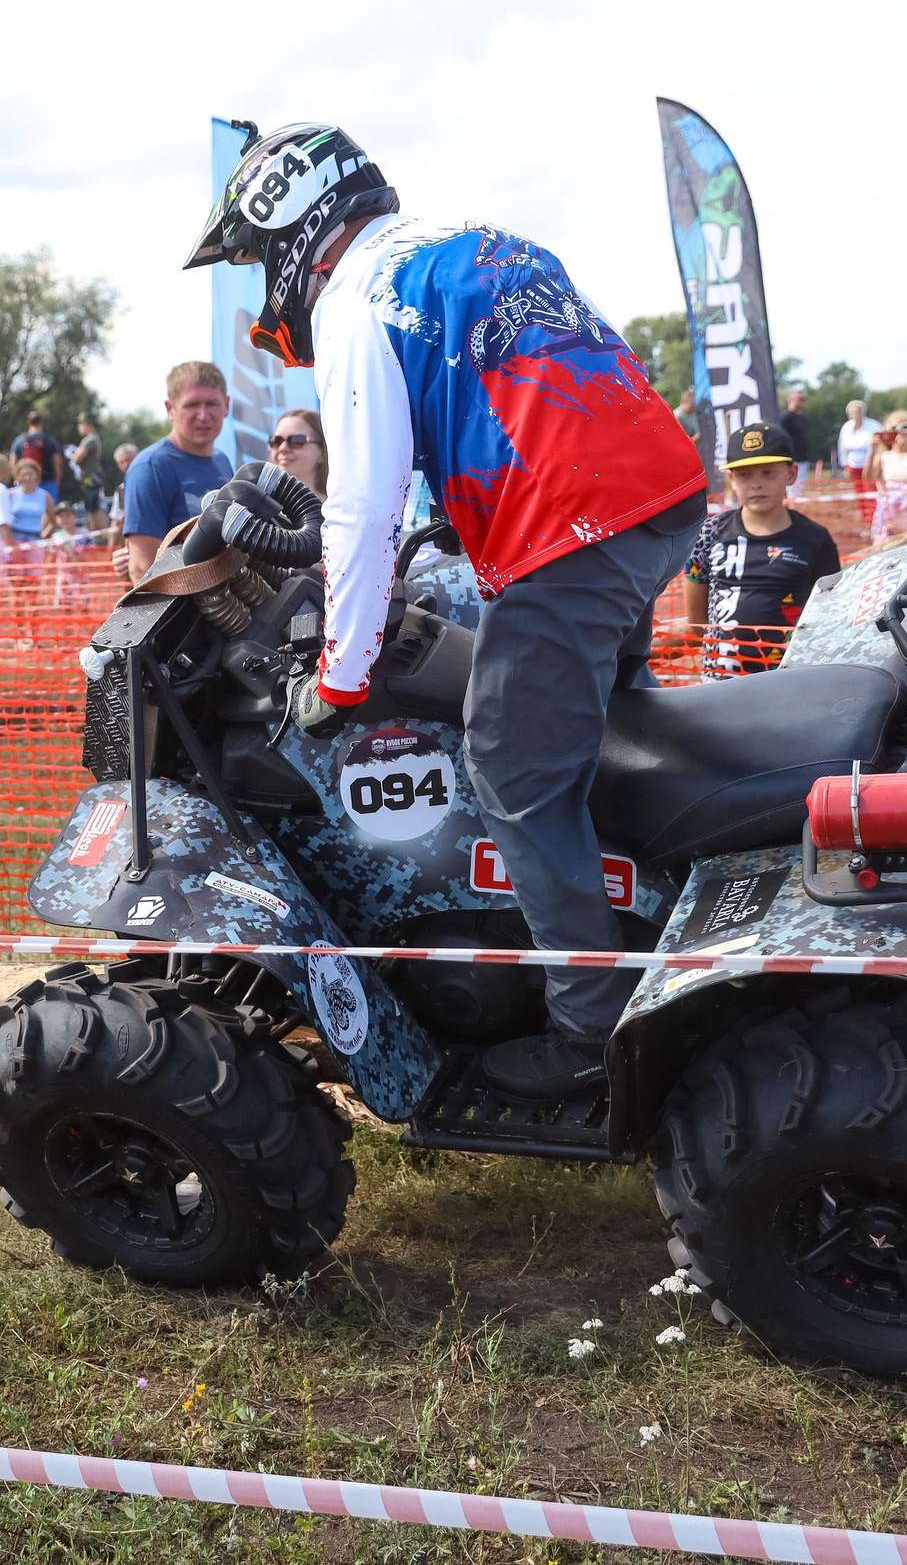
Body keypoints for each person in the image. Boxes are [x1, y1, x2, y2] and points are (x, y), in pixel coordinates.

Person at [188, 120, 708, 1101]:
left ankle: (593, 1037)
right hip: (661, 496)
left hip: (576, 534)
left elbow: (362, 505)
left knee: (511, 770)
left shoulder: (357, 300)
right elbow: (604, 355)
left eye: (260, 258)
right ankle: (639, 902)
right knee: (601, 729)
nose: (267, 285)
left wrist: (341, 671)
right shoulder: (477, 238)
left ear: (296, 230)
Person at [683, 422, 840, 678]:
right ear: (731, 479)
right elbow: (695, 612)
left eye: (768, 473)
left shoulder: (815, 538)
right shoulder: (708, 533)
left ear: (791, 474)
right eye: (744, 475)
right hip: (719, 682)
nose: (756, 484)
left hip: (789, 679)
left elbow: (830, 612)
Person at [119, 361, 236, 580]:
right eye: (191, 405)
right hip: (181, 609)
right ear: (170, 409)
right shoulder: (150, 468)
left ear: (226, 405)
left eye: (211, 403)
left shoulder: (222, 461)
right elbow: (143, 570)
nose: (203, 415)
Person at [268, 408, 328, 496]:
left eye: (296, 441)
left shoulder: (339, 507)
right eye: (277, 441)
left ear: (322, 452)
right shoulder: (256, 506)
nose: (283, 448)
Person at [9, 411, 61, 500]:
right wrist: (57, 481)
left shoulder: (19, 441)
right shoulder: (50, 441)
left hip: (25, 483)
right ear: (41, 423)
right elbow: (57, 462)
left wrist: (16, 479)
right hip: (47, 482)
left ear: (28, 423)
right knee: (49, 510)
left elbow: (13, 463)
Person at [66, 419, 106, 523]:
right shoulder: (92, 439)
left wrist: (73, 455)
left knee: (94, 508)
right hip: (89, 478)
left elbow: (77, 459)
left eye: (81, 424)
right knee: (92, 508)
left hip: (92, 478)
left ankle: (99, 537)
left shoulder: (89, 439)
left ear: (89, 424)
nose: (79, 427)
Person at [834, 400, 875, 491]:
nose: (856, 414)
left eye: (858, 411)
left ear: (864, 412)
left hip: (870, 465)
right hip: (853, 465)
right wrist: (844, 463)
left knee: (870, 489)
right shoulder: (846, 427)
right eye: (853, 412)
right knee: (858, 490)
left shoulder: (874, 426)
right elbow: (842, 447)